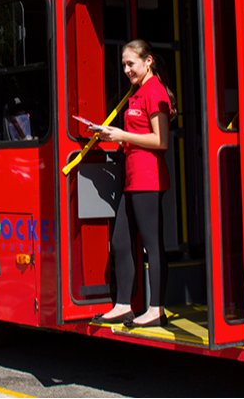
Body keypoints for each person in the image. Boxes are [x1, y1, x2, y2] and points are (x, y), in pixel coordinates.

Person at [91, 40, 176, 328]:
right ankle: (123, 305)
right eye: (124, 65)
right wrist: (110, 135)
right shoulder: (138, 93)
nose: (127, 69)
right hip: (133, 176)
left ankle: (156, 309)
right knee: (120, 241)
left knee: (152, 244)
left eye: (131, 64)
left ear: (148, 61)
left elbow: (161, 141)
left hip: (149, 177)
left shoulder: (155, 92)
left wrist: (122, 136)